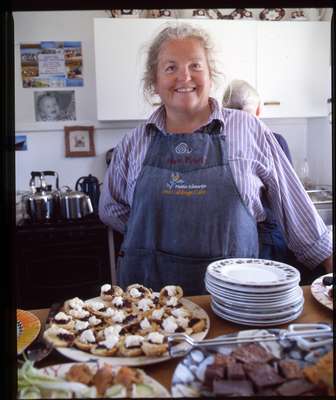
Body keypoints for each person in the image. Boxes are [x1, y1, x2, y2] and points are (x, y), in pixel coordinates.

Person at [99, 23, 332, 295]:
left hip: (235, 298)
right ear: (154, 81)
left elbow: (296, 210)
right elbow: (110, 208)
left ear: (211, 75)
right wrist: (155, 233)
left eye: (195, 66)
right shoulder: (133, 142)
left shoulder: (249, 130)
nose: (184, 77)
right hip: (150, 305)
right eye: (171, 67)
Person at [222, 79, 294, 263]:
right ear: (259, 110)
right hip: (267, 240)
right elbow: (288, 198)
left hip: (227, 241)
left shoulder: (211, 142)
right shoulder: (274, 141)